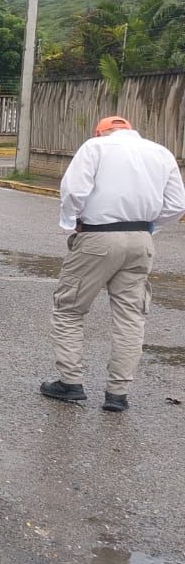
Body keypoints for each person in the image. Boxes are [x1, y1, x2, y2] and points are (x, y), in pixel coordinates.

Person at [40, 115, 185, 412]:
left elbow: (74, 191)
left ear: (100, 132)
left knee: (69, 308)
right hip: (141, 240)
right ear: (132, 130)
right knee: (131, 316)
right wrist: (148, 228)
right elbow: (176, 205)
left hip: (97, 238)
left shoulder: (95, 147)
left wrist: (72, 222)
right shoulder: (161, 153)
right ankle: (117, 393)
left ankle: (70, 382)